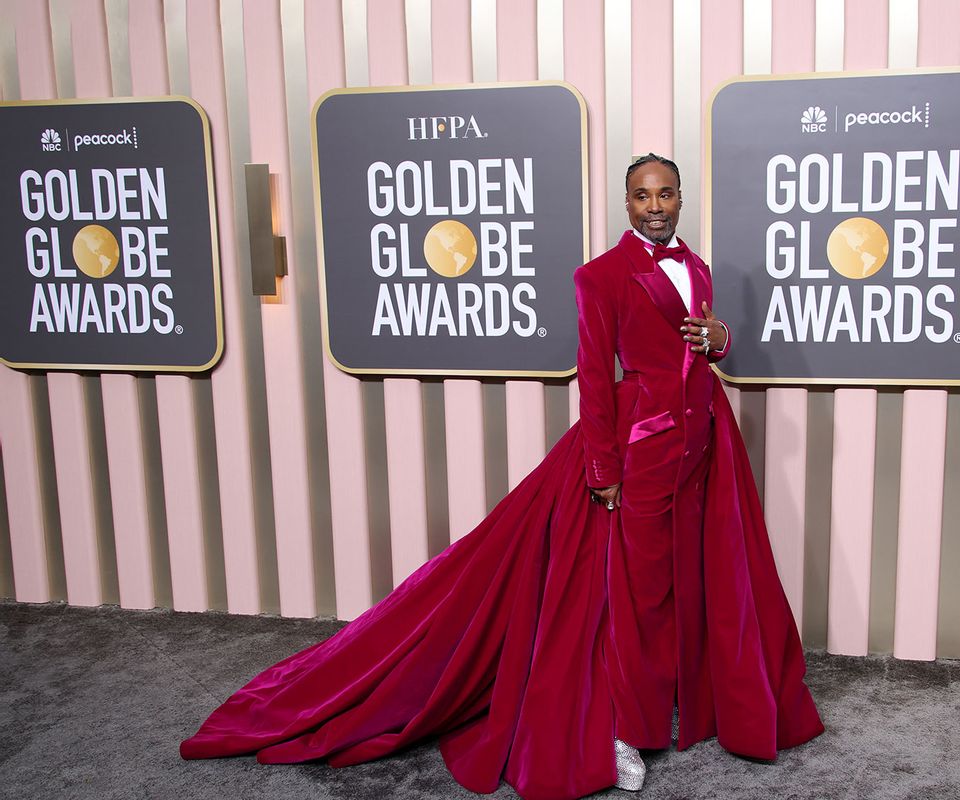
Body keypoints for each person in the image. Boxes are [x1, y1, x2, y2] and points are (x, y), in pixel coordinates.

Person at [180, 154, 823, 800]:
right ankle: (622, 730)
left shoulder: (699, 266)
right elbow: (596, 377)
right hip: (641, 451)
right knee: (631, 598)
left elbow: (702, 349)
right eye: (640, 196)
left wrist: (720, 337)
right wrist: (603, 468)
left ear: (680, 199)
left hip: (705, 451)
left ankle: (685, 701)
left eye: (664, 194)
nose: (654, 206)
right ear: (625, 204)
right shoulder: (599, 278)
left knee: (694, 584)